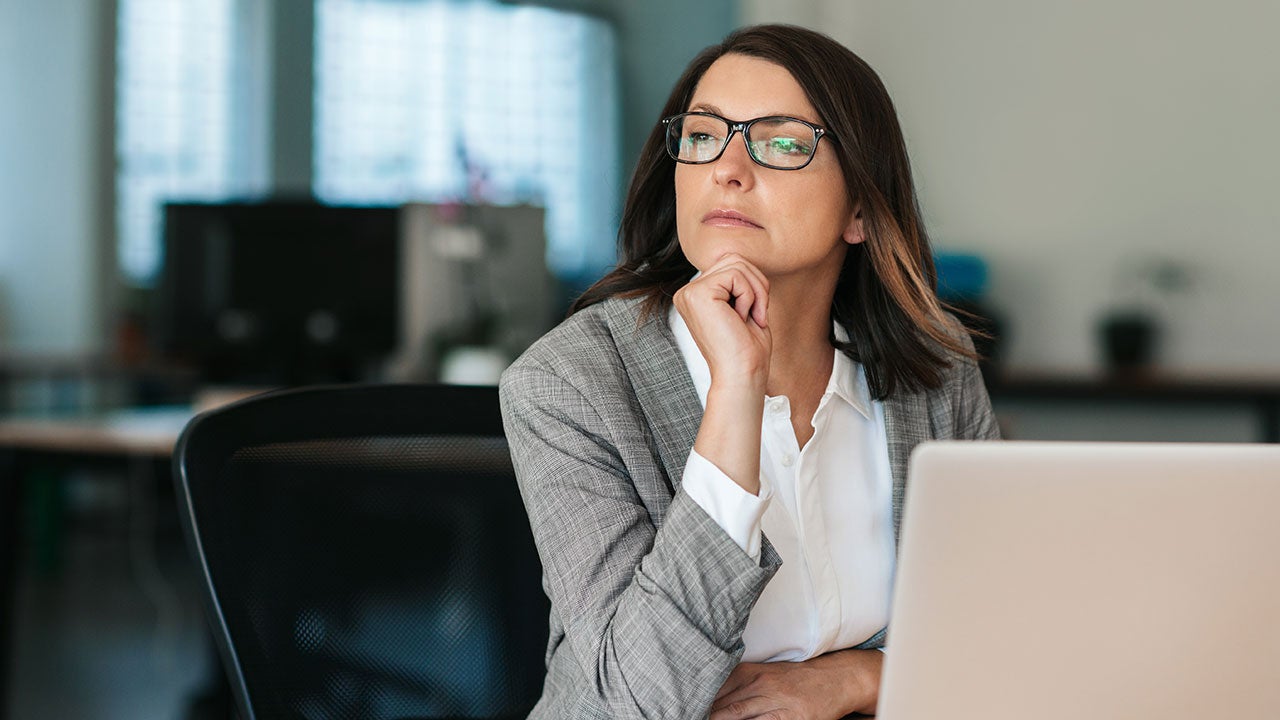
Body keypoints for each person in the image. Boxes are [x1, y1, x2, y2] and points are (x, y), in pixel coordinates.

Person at [499, 23, 1000, 720]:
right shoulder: (569, 383)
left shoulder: (934, 374)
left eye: (783, 142)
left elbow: (994, 622)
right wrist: (735, 395)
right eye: (704, 136)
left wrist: (856, 679)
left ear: (860, 208)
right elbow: (638, 700)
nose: (728, 169)